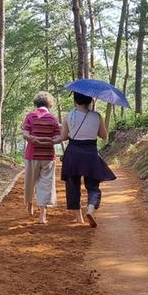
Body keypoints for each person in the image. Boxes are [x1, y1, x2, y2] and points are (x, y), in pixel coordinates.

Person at [59, 91, 116, 227]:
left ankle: (79, 218)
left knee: (73, 185)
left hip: (73, 153)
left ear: (75, 101)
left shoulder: (69, 116)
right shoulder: (96, 116)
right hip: (90, 153)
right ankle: (90, 209)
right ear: (90, 101)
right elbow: (103, 135)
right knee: (93, 185)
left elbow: (63, 137)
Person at [21, 92, 61, 225]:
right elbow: (57, 138)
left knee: (30, 182)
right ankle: (42, 215)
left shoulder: (30, 116)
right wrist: (47, 141)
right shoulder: (52, 119)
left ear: (36, 103)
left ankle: (30, 205)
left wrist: (35, 139)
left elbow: (25, 134)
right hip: (48, 157)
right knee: (46, 184)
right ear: (49, 104)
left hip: (32, 155)